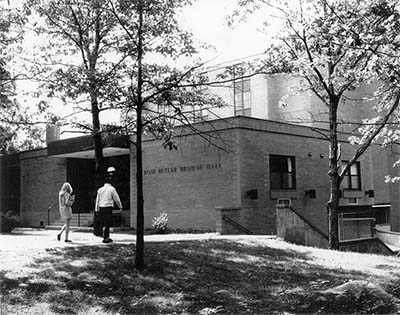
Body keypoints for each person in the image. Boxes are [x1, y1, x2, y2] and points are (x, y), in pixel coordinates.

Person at [95, 176, 122, 243]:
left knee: (103, 222)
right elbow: (116, 198)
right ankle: (106, 237)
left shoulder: (100, 190)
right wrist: (120, 206)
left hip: (101, 207)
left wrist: (96, 209)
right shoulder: (112, 189)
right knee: (108, 222)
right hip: (108, 207)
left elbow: (97, 200)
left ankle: (104, 235)